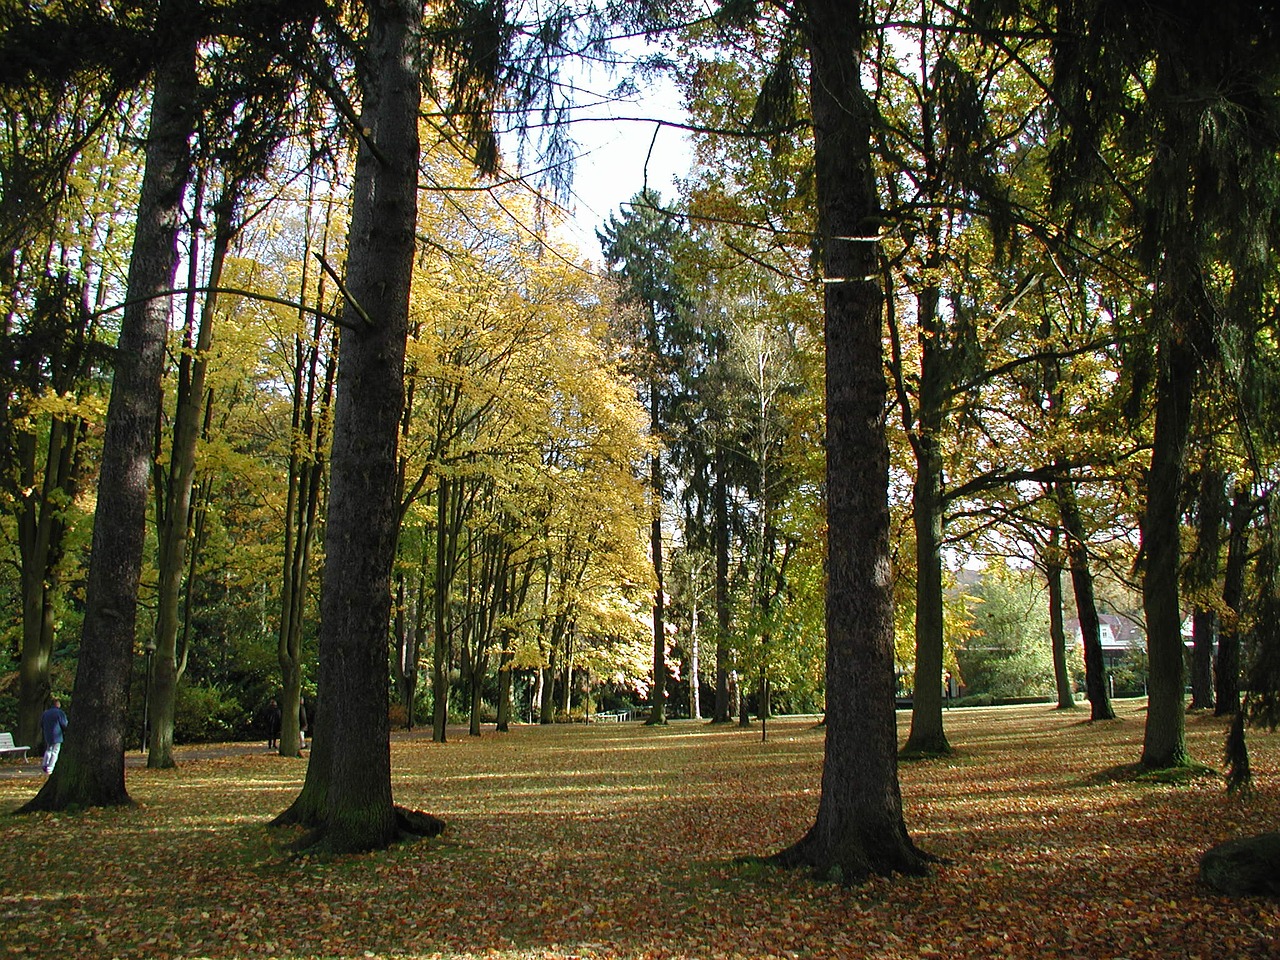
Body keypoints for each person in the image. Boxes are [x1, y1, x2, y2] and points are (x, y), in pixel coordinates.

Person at [40, 698, 68, 775]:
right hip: (57, 734)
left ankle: (45, 764)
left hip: (47, 734)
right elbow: (64, 724)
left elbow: (41, 724)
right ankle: (50, 767)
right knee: (55, 751)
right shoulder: (60, 713)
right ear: (58, 705)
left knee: (48, 749)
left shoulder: (45, 713)